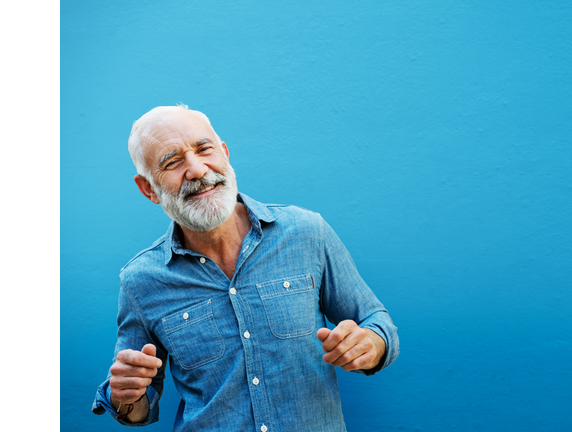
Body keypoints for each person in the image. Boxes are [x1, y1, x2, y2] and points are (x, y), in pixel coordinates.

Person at [91, 105, 399, 431]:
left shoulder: (307, 232)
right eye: (172, 162)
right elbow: (137, 405)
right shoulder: (141, 281)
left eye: (204, 149)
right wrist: (126, 396)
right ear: (148, 188)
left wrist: (370, 344)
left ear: (224, 153)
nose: (196, 169)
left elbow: (377, 323)